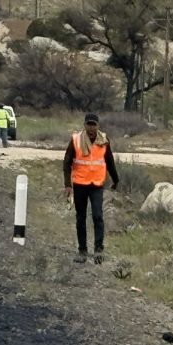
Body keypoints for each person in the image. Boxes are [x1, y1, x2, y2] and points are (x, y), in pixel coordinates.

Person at [64, 113, 120, 265]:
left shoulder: (104, 141)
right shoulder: (76, 140)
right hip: (80, 184)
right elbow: (67, 162)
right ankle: (82, 251)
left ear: (98, 126)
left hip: (96, 185)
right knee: (81, 218)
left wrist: (116, 180)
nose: (91, 127)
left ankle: (98, 250)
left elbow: (110, 162)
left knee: (97, 216)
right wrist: (67, 185)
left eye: (93, 124)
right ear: (84, 125)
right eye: (88, 124)